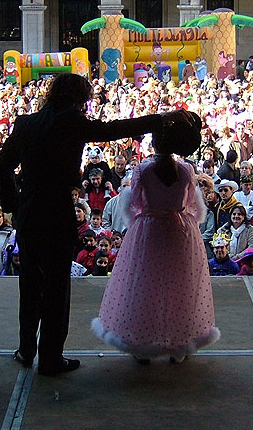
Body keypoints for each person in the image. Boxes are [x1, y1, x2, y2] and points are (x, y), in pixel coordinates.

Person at [0, 73, 192, 376]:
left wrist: (13, 204)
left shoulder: (26, 124)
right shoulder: (72, 122)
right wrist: (161, 118)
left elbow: (3, 165)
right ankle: (50, 358)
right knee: (57, 286)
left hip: (29, 210)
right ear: (78, 98)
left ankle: (25, 349)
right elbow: (116, 129)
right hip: (56, 211)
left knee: (30, 282)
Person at [91, 112, 218, 364]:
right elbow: (192, 205)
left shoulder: (143, 170)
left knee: (144, 286)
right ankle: (179, 344)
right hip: (180, 232)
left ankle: (141, 344)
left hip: (149, 232)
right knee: (179, 287)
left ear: (154, 143)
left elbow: (136, 204)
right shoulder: (186, 170)